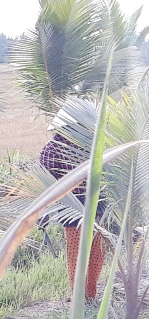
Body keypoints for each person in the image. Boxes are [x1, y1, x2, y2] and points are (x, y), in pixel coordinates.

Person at [39, 103, 106, 300]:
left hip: (87, 205)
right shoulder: (57, 148)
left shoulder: (91, 145)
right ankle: (83, 297)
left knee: (91, 252)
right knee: (87, 252)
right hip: (79, 206)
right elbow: (45, 181)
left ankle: (86, 296)